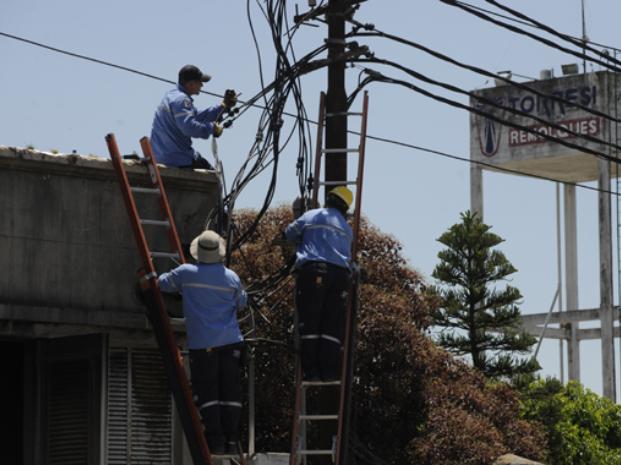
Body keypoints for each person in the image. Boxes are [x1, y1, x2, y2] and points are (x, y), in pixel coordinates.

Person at [157, 229, 246, 455]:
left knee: (208, 394)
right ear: (219, 253)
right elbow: (242, 304)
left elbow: (162, 284)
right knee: (230, 392)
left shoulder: (186, 273)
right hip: (231, 343)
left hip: (202, 345)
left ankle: (215, 441)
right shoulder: (231, 277)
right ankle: (232, 441)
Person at [284, 186, 354, 381]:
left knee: (311, 322)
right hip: (341, 276)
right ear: (345, 207)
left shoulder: (312, 215)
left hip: (315, 271)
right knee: (331, 326)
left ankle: (312, 372)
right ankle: (329, 373)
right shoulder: (347, 229)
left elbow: (289, 233)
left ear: (328, 199)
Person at [150, 64, 237, 169]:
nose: (202, 85)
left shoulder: (172, 96)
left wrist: (222, 107)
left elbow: (196, 116)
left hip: (162, 155)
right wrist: (211, 129)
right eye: (200, 82)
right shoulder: (181, 100)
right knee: (213, 176)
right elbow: (189, 127)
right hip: (175, 158)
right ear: (191, 84)